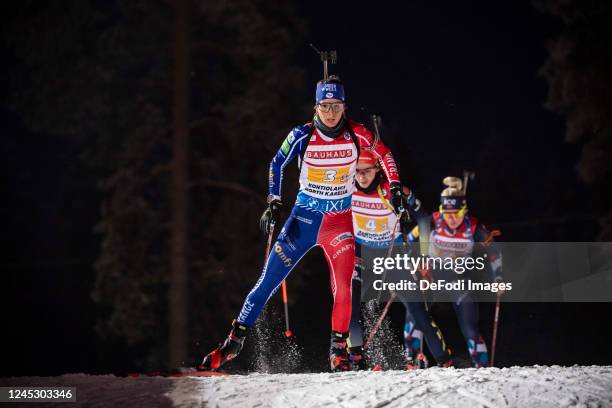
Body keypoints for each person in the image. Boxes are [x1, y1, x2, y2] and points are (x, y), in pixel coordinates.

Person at [200, 75, 415, 372]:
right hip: (303, 221)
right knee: (267, 281)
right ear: (316, 107)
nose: (331, 112)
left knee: (343, 287)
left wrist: (395, 190)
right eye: (325, 106)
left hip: (339, 223)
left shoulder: (358, 133)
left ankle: (338, 351)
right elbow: (277, 162)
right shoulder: (302, 134)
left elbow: (385, 154)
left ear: (344, 106)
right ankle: (233, 342)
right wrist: (273, 200)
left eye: (336, 106)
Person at [348, 149, 453, 370]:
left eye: (366, 171)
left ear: (378, 169)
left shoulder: (394, 192)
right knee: (350, 305)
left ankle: (444, 361)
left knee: (417, 311)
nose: (361, 176)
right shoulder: (346, 190)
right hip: (362, 256)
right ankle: (354, 362)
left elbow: (424, 219)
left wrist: (424, 256)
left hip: (393, 256)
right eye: (357, 171)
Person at [408, 176, 503, 368]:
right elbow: (410, 239)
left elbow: (494, 252)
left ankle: (482, 367)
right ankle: (412, 359)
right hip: (433, 276)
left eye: (456, 213)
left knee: (469, 327)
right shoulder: (433, 221)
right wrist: (414, 263)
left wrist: (498, 277)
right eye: (447, 213)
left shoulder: (473, 227)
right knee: (415, 313)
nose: (451, 219)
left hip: (458, 280)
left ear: (464, 211)